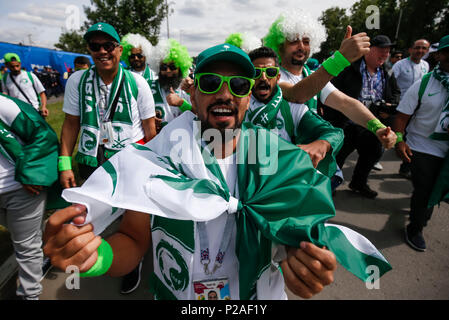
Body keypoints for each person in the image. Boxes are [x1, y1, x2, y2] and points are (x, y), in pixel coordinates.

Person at [43, 43, 342, 300]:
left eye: (238, 85)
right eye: (211, 83)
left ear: (248, 97)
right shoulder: (156, 160)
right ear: (194, 96)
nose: (225, 94)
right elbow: (133, 241)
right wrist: (96, 257)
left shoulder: (277, 161)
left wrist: (305, 265)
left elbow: (297, 239)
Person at [263, 10, 397, 194]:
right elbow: (297, 94)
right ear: (280, 45)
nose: (301, 46)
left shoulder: (311, 76)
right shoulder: (271, 75)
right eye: (293, 40)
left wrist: (378, 127)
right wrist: (340, 59)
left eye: (306, 41)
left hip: (306, 164)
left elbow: (346, 103)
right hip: (277, 165)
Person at [59, 22, 156, 186]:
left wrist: (153, 164)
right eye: (95, 46)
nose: (102, 51)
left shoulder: (137, 82)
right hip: (91, 157)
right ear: (89, 50)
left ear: (120, 50)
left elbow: (149, 127)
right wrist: (65, 165)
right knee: (94, 208)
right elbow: (70, 123)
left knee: (129, 209)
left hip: (130, 158)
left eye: (108, 46)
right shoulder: (77, 81)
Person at [323, 35, 401, 199]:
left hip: (373, 124)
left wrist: (390, 106)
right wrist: (332, 120)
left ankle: (358, 183)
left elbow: (395, 92)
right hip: (348, 123)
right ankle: (329, 186)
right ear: (368, 50)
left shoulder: (388, 70)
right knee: (339, 155)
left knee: (371, 155)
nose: (385, 54)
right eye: (381, 50)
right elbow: (332, 92)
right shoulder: (350, 67)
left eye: (387, 51)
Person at [246, 46, 343, 175]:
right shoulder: (238, 107)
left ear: (278, 77)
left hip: (282, 181)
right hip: (247, 183)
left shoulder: (292, 108)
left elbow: (335, 133)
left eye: (270, 72)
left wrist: (322, 144)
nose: (263, 78)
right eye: (256, 73)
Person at [393, 35, 449, 252]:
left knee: (438, 189)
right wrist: (400, 141)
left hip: (446, 149)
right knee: (426, 189)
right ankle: (416, 228)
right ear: (440, 55)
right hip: (422, 145)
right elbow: (402, 116)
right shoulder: (425, 83)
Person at [0, 93, 59, 299]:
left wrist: (30, 173)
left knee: (26, 247)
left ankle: (29, 295)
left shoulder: (3, 105)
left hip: (19, 188)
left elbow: (43, 134)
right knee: (26, 240)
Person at [392, 39, 430, 179]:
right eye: (417, 47)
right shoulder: (400, 65)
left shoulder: (426, 65)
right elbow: (390, 83)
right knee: (394, 133)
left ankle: (405, 167)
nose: (420, 51)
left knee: (411, 137)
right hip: (400, 108)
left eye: (424, 48)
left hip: (418, 109)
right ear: (410, 49)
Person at [146, 38, 193, 133]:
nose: (168, 71)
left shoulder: (189, 88)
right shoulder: (149, 86)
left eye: (172, 67)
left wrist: (181, 104)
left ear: (180, 67)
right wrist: (150, 121)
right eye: (164, 67)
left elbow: (199, 117)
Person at [2, 53, 49, 118]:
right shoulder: (5, 78)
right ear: (6, 66)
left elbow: (42, 93)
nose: (16, 69)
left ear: (20, 64)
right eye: (12, 67)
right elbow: (6, 95)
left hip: (34, 111)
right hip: (17, 114)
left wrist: (44, 107)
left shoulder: (30, 75)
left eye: (17, 66)